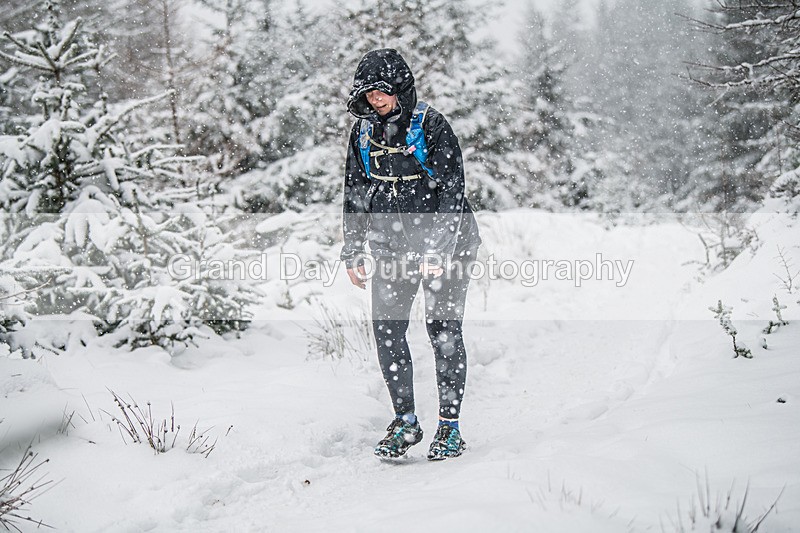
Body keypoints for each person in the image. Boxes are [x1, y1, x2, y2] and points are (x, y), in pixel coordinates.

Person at [341, 48, 481, 460]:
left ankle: (450, 429)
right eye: (368, 95)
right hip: (392, 246)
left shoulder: (433, 127)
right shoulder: (363, 134)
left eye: (381, 92)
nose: (375, 101)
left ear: (400, 87)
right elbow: (355, 191)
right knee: (387, 332)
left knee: (443, 333)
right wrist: (352, 249)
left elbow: (452, 192)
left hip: (449, 243)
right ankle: (405, 423)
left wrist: (438, 249)